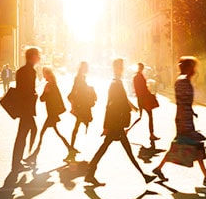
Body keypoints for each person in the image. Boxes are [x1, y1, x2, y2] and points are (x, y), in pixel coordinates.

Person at [84, 58, 156, 187]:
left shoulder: (117, 83)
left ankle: (90, 173)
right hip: (115, 124)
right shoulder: (115, 84)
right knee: (125, 151)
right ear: (116, 68)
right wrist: (106, 126)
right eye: (121, 67)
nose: (122, 69)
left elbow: (122, 99)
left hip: (116, 124)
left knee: (105, 148)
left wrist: (132, 106)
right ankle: (144, 176)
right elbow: (110, 105)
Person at [152, 56, 206, 186]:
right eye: (193, 67)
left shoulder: (185, 80)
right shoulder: (182, 82)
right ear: (188, 68)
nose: (195, 70)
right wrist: (184, 120)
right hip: (183, 119)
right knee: (196, 145)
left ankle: (159, 168)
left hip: (186, 117)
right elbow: (181, 102)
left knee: (180, 145)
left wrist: (191, 112)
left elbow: (184, 101)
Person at [24, 67, 75, 165]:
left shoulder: (50, 86)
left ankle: (33, 157)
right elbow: (45, 99)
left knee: (42, 134)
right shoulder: (53, 85)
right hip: (52, 114)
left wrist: (46, 93)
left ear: (48, 74)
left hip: (52, 115)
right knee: (56, 134)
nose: (43, 76)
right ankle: (71, 150)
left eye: (44, 74)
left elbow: (43, 99)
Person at [11, 47, 40, 173]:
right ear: (33, 56)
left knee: (23, 134)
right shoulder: (30, 71)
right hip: (26, 108)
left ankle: (18, 162)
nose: (39, 57)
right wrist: (34, 94)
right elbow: (27, 90)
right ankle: (24, 160)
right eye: (38, 55)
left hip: (23, 107)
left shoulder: (22, 70)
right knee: (26, 133)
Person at [66, 61, 96, 162]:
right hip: (80, 105)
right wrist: (73, 105)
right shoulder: (79, 78)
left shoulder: (82, 77)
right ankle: (71, 151)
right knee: (76, 127)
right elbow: (75, 90)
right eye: (86, 67)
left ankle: (71, 150)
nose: (87, 69)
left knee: (77, 126)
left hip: (82, 105)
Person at [133, 62, 160, 146]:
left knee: (141, 116)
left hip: (140, 99)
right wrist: (150, 95)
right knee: (149, 116)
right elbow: (143, 89)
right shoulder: (139, 77)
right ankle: (151, 134)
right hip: (144, 99)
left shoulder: (135, 77)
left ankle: (127, 130)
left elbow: (137, 89)